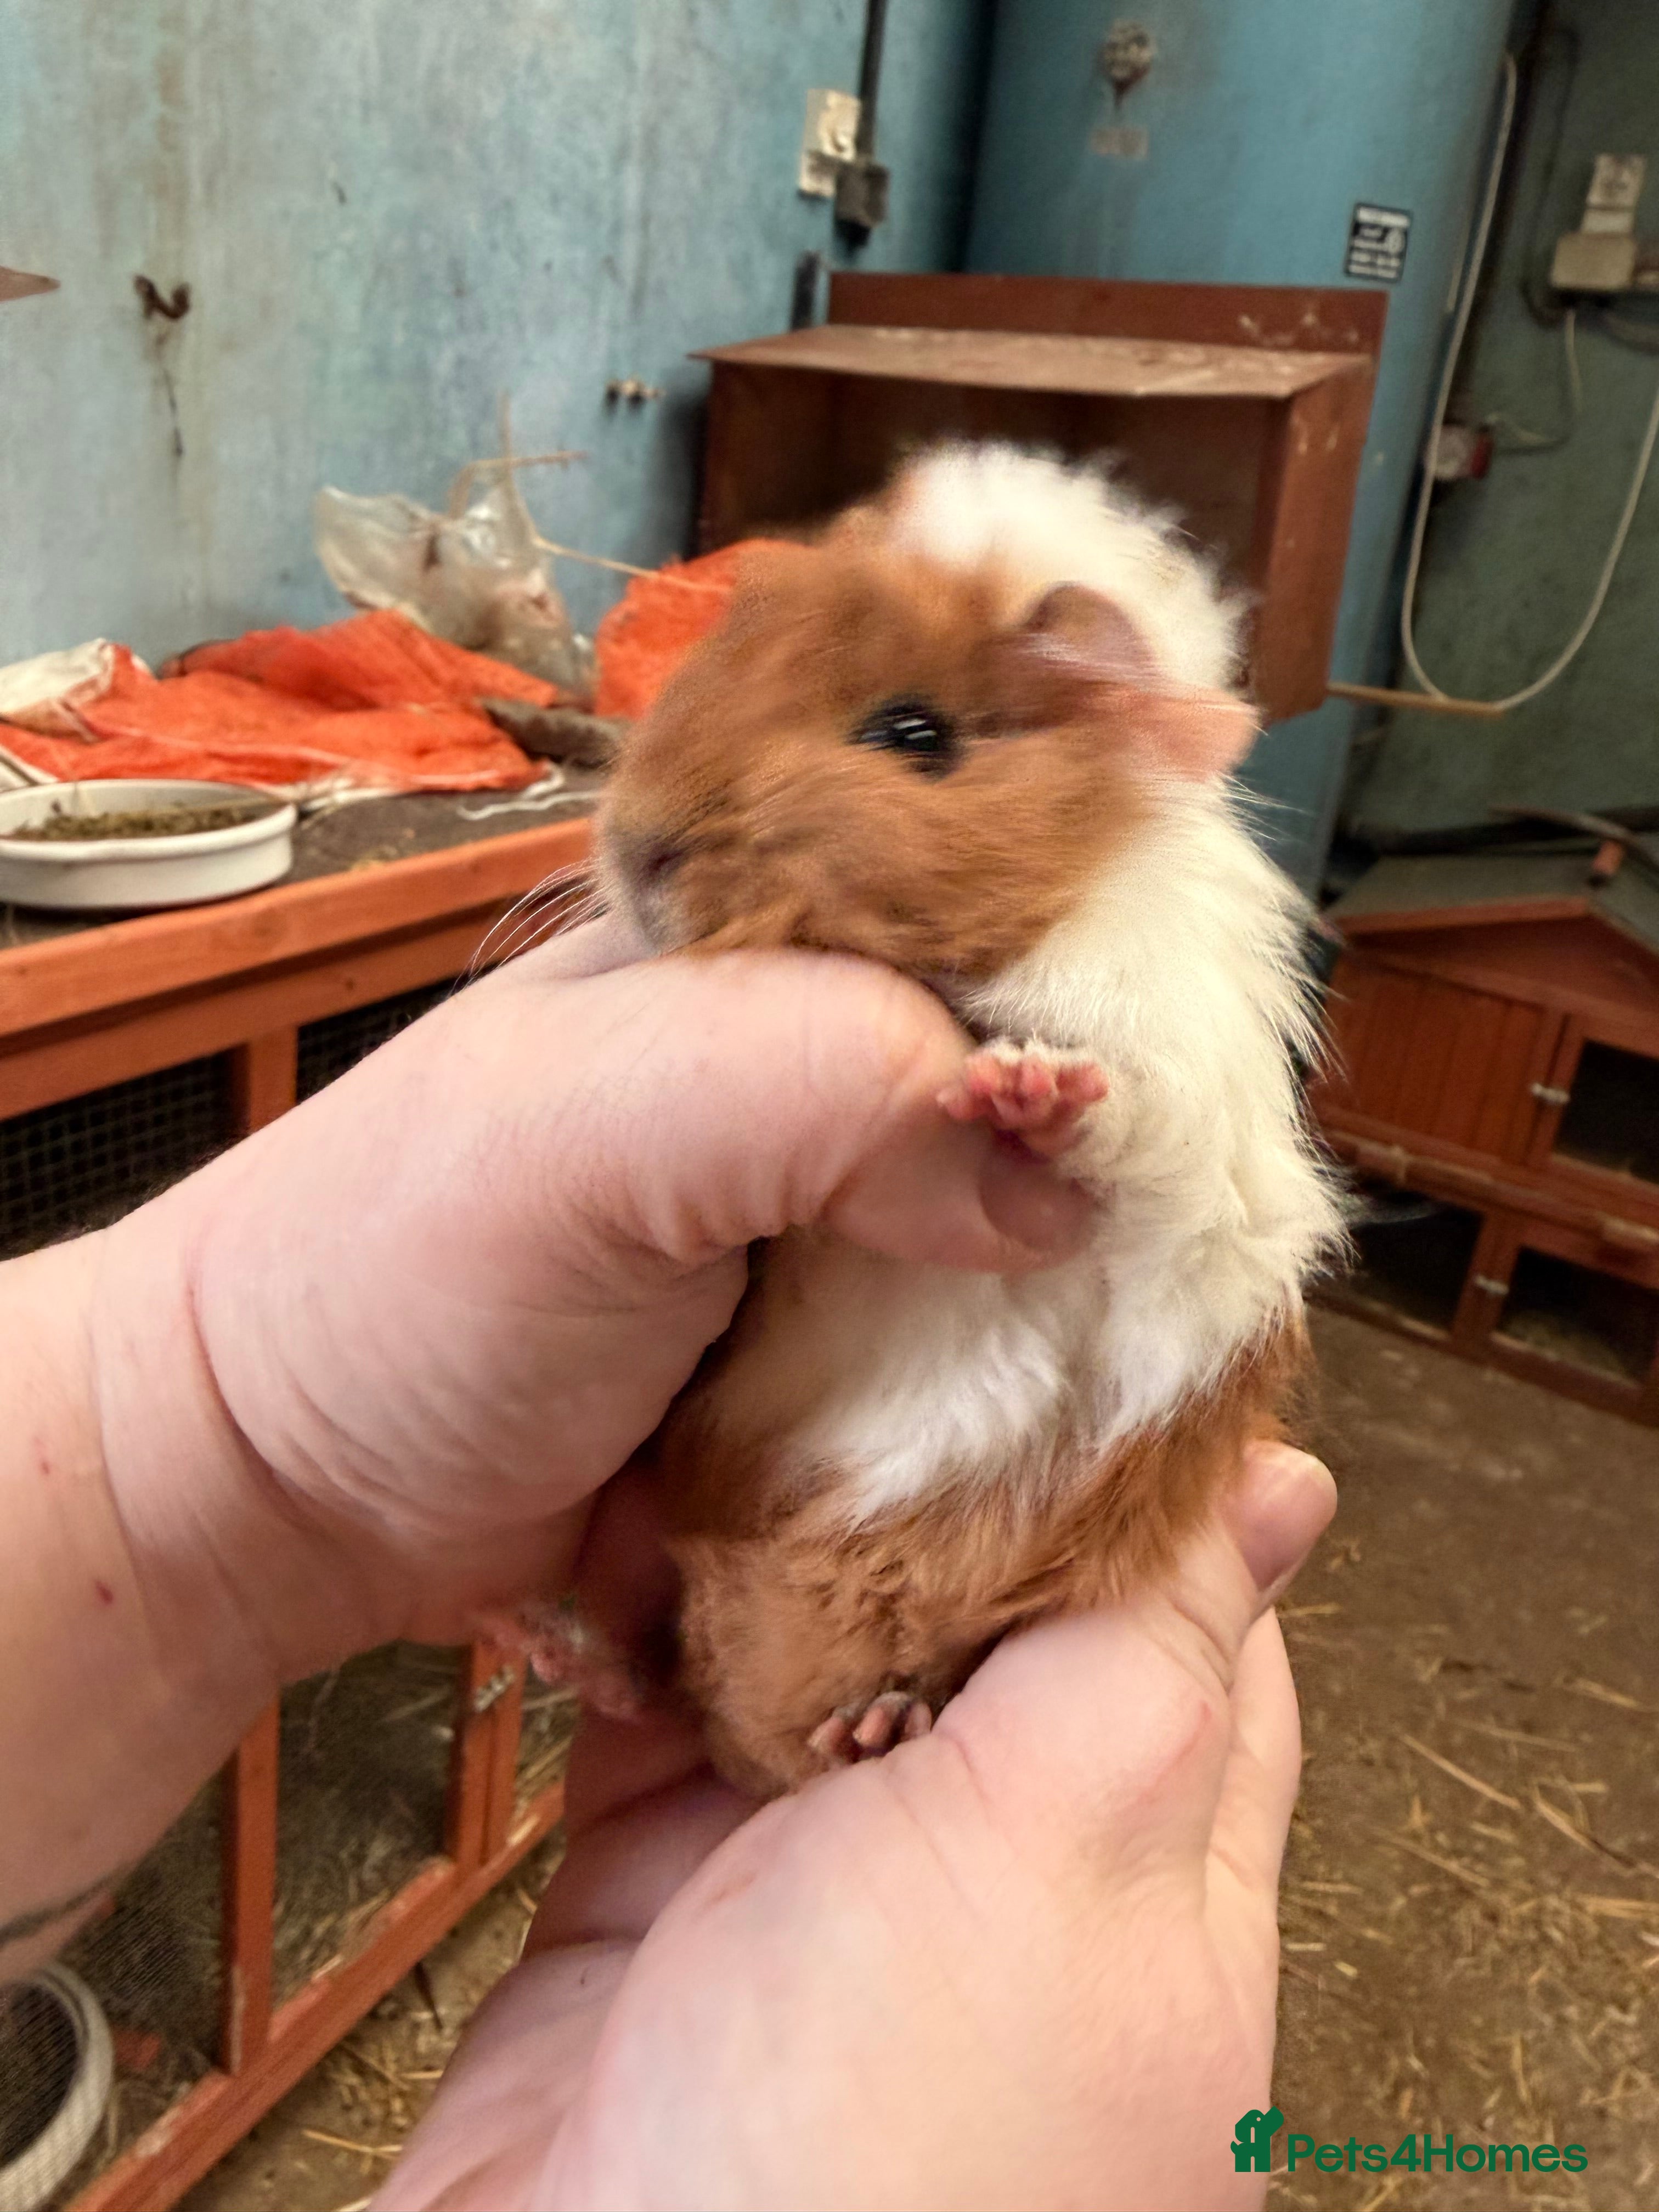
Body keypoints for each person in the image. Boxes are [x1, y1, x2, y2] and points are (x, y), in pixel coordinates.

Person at [0, 915, 1335, 2211]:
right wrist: (225, 1429)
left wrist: (195, 1425)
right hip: (775, 1612)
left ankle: (837, 1690)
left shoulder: (1156, 970)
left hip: (903, 1618)